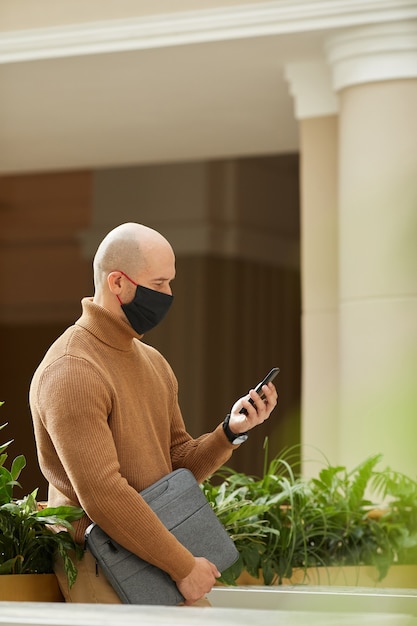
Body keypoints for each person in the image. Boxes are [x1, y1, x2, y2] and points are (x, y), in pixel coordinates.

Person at [29, 222, 278, 605]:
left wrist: (228, 433)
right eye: (159, 283)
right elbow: (103, 495)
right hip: (102, 566)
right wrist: (183, 567)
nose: (168, 294)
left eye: (170, 283)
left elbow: (175, 468)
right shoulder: (72, 369)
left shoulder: (153, 363)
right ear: (117, 283)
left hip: (164, 559)